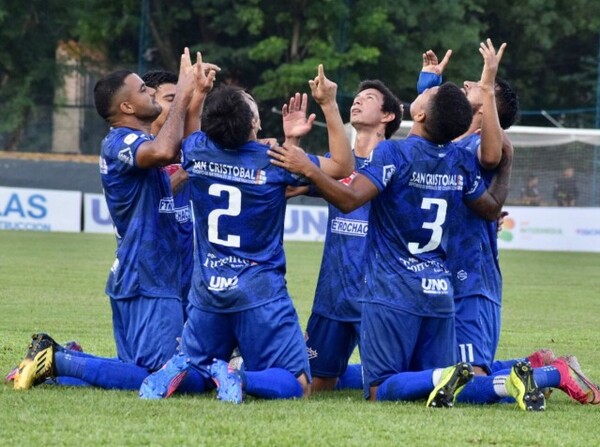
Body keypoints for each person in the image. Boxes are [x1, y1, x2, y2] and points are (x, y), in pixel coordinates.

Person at [269, 55, 513, 408]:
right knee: (431, 386)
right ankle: (525, 374)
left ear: (418, 115)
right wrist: (508, 163)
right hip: (437, 291)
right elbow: (490, 208)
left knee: (381, 388)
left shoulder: (393, 154)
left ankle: (469, 375)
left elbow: (350, 199)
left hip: (392, 291)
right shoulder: (458, 159)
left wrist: (309, 167)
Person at [139, 64, 354, 402]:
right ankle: (237, 375)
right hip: (259, 292)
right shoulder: (274, 160)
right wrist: (328, 104)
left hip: (208, 291)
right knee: (297, 384)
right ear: (254, 123)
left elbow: (194, 128)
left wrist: (201, 93)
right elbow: (343, 167)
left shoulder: (196, 150)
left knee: (197, 367)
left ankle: (186, 369)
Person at [12, 49, 216, 391]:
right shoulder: (121, 141)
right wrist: (182, 91)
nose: (150, 94)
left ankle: (62, 363)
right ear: (126, 108)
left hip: (149, 276)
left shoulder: (142, 141)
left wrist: (195, 97)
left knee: (137, 370)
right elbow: (166, 153)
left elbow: (182, 161)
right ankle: (58, 359)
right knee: (169, 378)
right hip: (145, 276)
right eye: (143, 91)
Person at [419, 41, 600, 409]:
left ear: (488, 108)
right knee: (443, 371)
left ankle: (555, 375)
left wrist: (487, 83)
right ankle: (537, 364)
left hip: (472, 278)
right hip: (440, 275)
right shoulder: (454, 144)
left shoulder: (491, 143)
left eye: (479, 86)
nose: (468, 82)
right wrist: (427, 88)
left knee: (465, 384)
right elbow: (428, 131)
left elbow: (490, 153)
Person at [285, 80, 403, 392]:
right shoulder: (335, 165)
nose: (358, 101)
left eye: (369, 98)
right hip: (332, 295)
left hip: (376, 296)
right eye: (357, 97)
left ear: (388, 116)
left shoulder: (396, 163)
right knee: (314, 384)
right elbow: (284, 185)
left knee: (382, 389)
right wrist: (292, 141)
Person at [142, 70, 194, 317]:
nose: (179, 105)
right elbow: (146, 199)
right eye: (171, 99)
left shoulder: (184, 143)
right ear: (151, 100)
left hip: (188, 253)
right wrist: (185, 172)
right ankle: (65, 356)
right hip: (154, 259)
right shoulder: (138, 147)